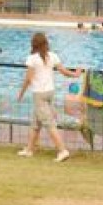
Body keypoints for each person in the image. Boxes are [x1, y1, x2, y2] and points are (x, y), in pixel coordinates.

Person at [16, 32, 82, 162]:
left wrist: (21, 93)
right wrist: (76, 74)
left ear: (33, 44)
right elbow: (64, 72)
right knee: (36, 123)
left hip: (39, 95)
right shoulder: (53, 56)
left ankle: (62, 150)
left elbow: (28, 79)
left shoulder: (32, 59)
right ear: (46, 43)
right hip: (50, 92)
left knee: (49, 124)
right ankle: (29, 149)